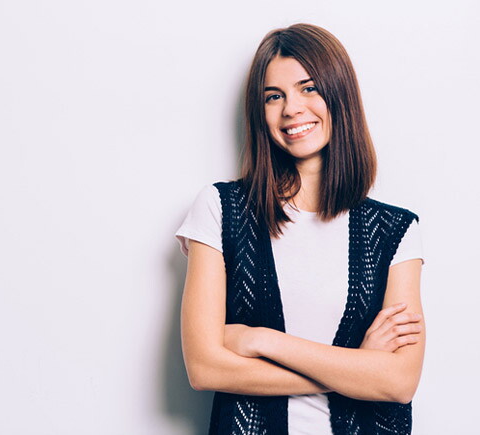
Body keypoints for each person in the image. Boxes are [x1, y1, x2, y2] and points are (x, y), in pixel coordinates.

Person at [175, 23, 425, 435]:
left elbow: (398, 383)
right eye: (274, 96)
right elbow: (204, 368)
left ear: (339, 96)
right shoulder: (221, 209)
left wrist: (260, 341)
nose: (291, 108)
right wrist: (358, 367)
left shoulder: (395, 230)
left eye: (309, 88)